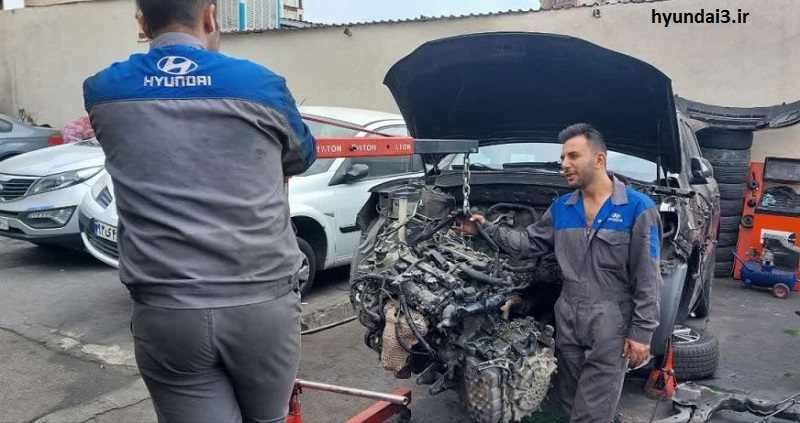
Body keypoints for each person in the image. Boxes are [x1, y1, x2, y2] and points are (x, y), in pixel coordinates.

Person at [82, 1, 316, 422]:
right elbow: (300, 157)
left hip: (167, 312)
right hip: (262, 306)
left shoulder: (103, 90)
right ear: (210, 15)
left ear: (142, 23)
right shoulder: (261, 84)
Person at [464, 123, 662, 423]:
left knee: (592, 412)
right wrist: (484, 228)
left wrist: (641, 334)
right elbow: (527, 243)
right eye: (562, 158)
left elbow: (648, 276)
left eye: (573, 156)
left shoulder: (638, 208)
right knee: (567, 400)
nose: (564, 165)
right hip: (567, 315)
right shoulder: (562, 208)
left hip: (611, 319)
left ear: (599, 160)